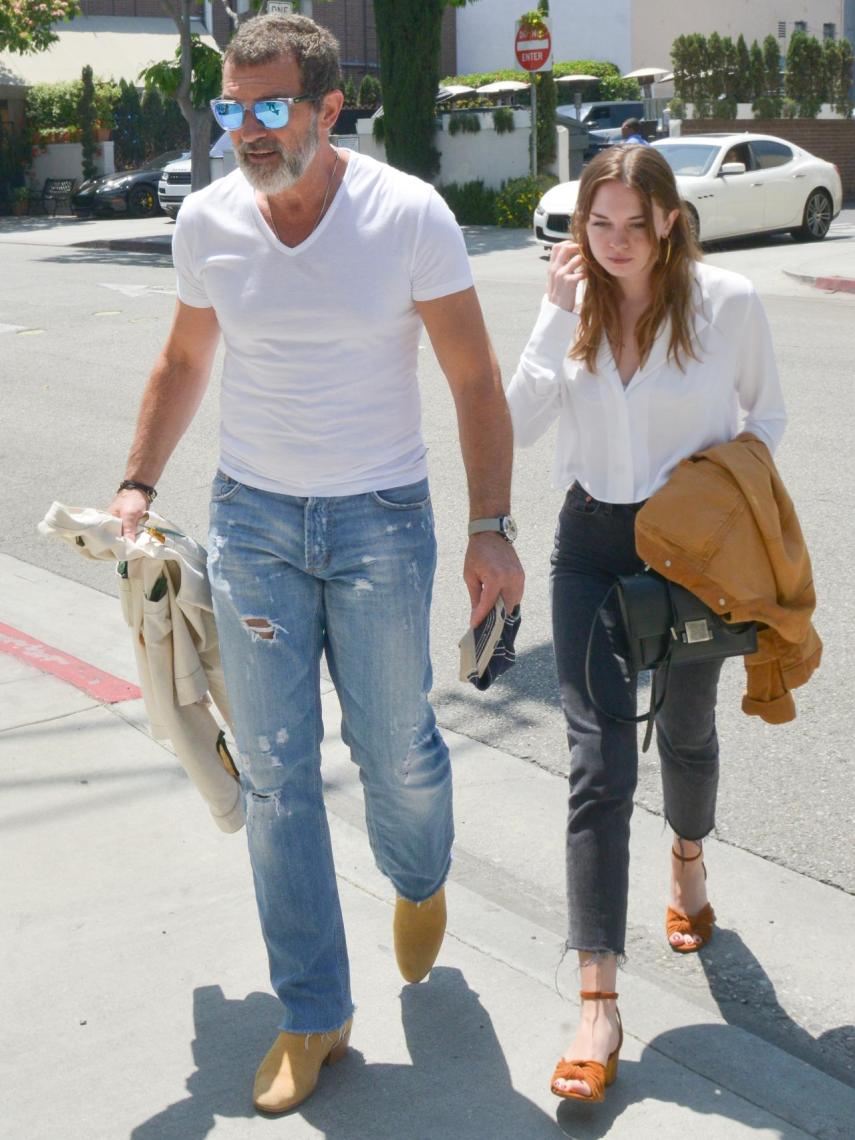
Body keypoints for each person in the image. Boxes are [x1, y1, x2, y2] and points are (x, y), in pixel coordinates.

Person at [108, 11, 523, 1116]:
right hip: (253, 524)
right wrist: (140, 481)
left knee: (396, 749)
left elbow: (476, 380)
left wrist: (492, 525)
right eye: (232, 108)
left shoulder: (408, 215)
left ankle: (420, 876)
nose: (244, 128)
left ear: (331, 108)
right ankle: (313, 1010)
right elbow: (186, 355)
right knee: (280, 770)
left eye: (269, 106)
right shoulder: (208, 220)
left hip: (383, 519)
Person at [506, 145, 786, 1104]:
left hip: (689, 553)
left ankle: (687, 861)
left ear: (670, 219)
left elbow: (767, 419)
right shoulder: (570, 309)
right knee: (597, 764)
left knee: (686, 730)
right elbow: (516, 424)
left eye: (634, 223)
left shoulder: (727, 302)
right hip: (588, 545)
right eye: (598, 224)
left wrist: (710, 504)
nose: (615, 244)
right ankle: (597, 1001)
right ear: (578, 228)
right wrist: (552, 310)